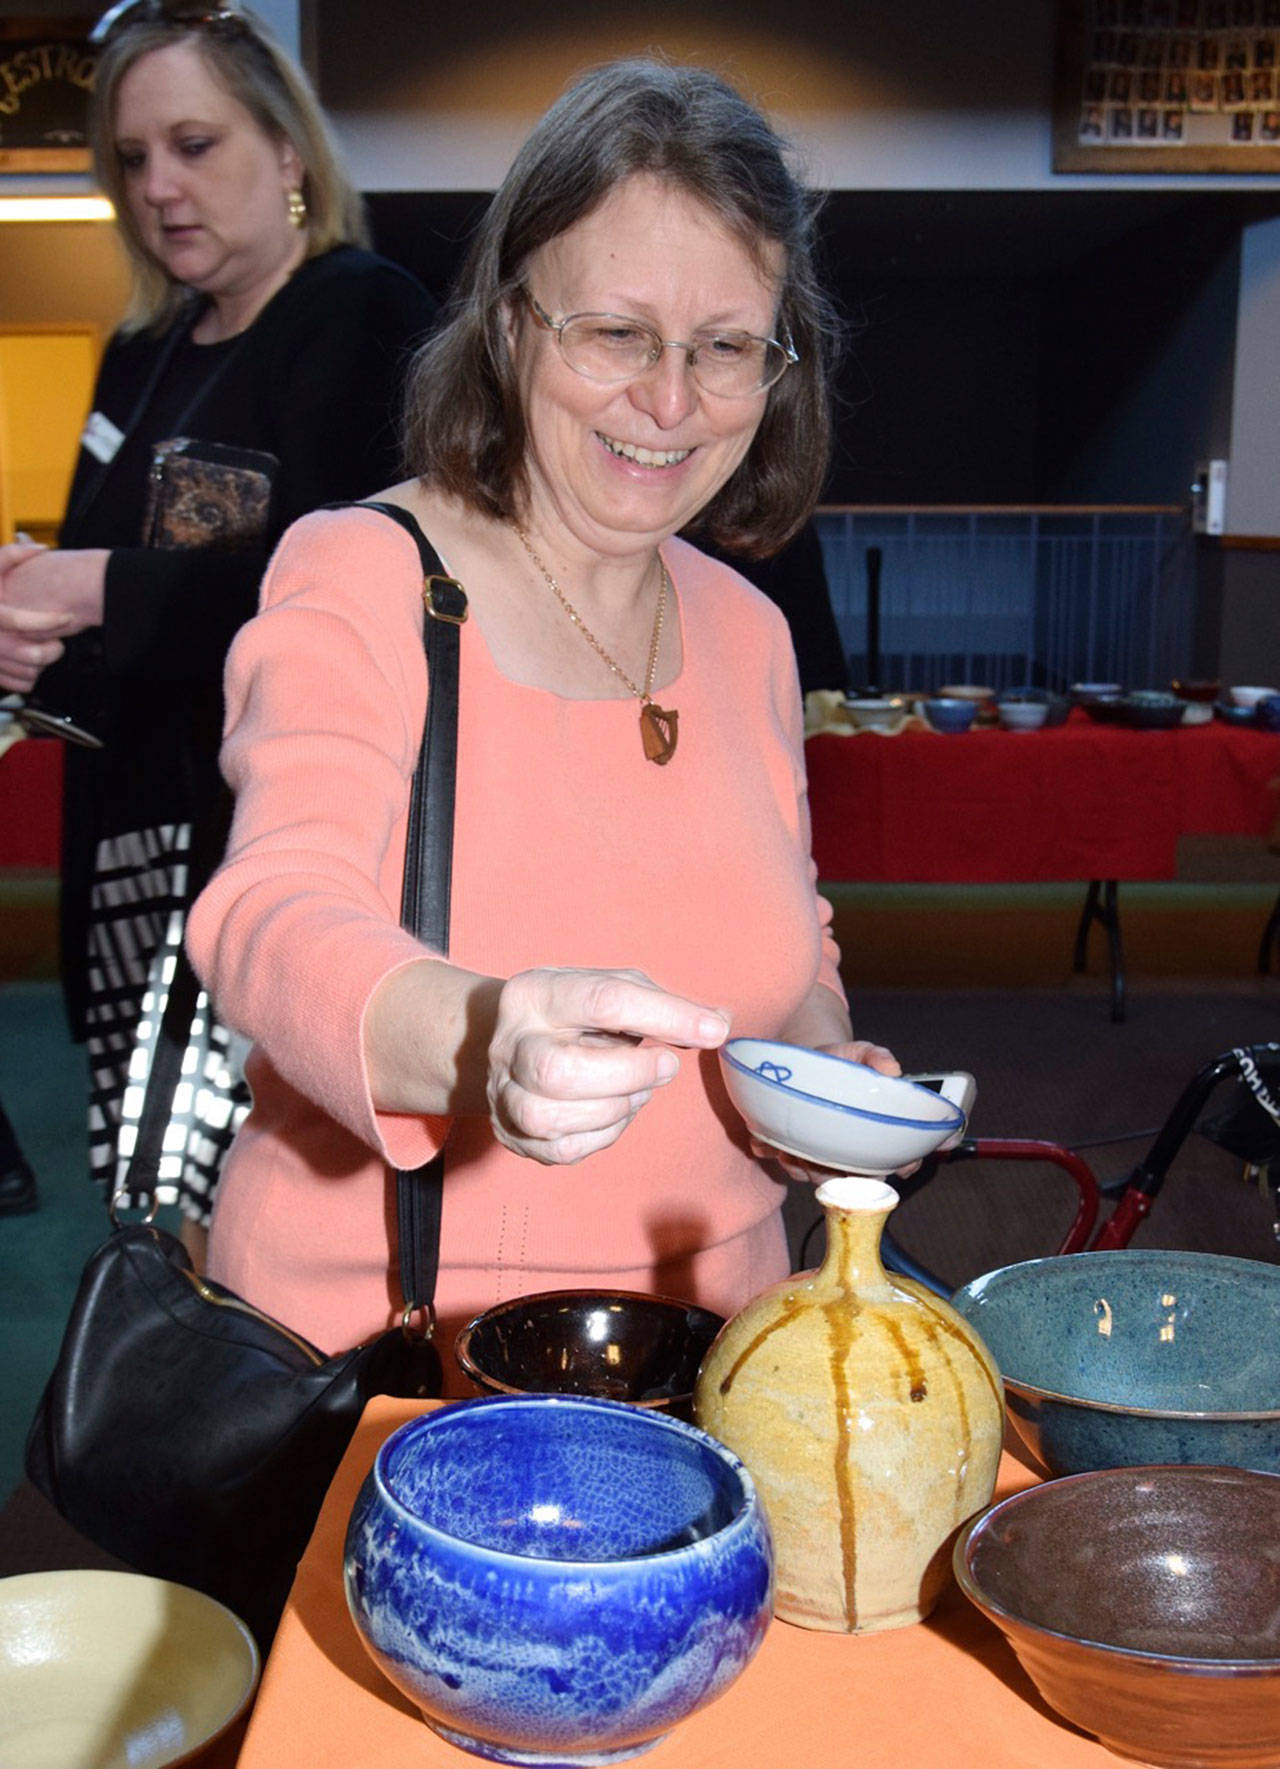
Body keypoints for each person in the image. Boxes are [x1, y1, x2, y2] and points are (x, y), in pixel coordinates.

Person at [186, 58, 903, 1378]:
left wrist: (820, 1067)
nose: (672, 402)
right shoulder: (368, 573)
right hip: (397, 1369)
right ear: (513, 326)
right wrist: (490, 1033)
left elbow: (791, 946)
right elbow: (266, 913)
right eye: (617, 333)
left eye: (726, 345)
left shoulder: (747, 630)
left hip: (720, 1352)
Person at [0, 1, 435, 1248]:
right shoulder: (142, 350)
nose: (159, 188)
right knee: (149, 1208)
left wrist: (89, 590)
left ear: (288, 152)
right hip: (124, 838)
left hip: (270, 852)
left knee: (246, 1212)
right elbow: (114, 600)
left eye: (194, 145)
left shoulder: (360, 312)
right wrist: (31, 634)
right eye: (131, 160)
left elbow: (346, 581)